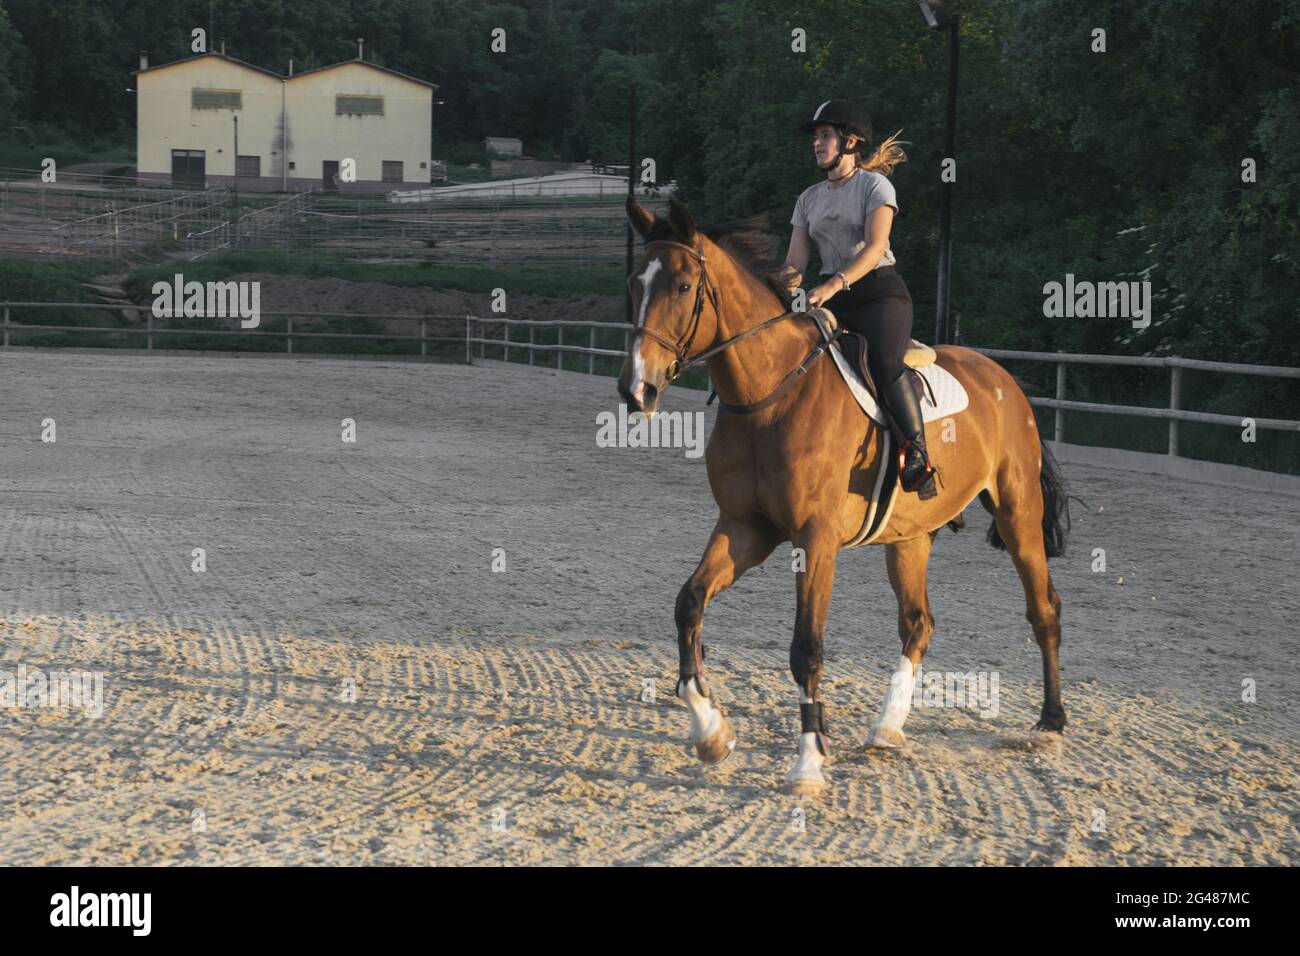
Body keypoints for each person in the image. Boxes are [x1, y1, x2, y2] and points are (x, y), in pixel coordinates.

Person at [777, 100, 936, 497]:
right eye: (816, 136)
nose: (817, 143)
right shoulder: (807, 199)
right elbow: (795, 263)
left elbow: (874, 247)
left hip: (879, 293)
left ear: (850, 142)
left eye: (825, 135)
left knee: (883, 362)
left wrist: (831, 286)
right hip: (828, 299)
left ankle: (917, 455)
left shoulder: (875, 186)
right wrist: (775, 285)